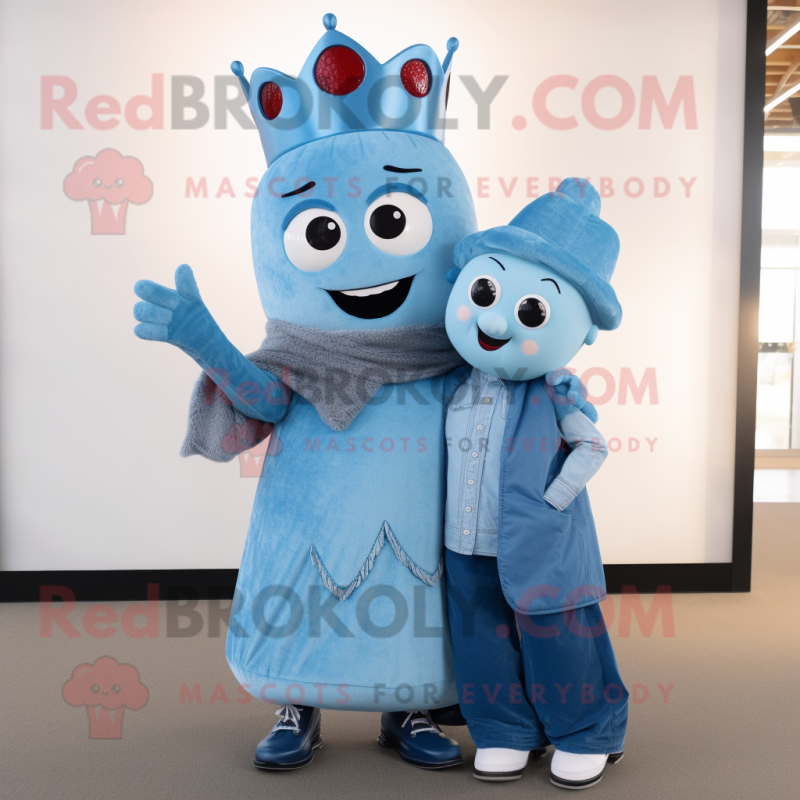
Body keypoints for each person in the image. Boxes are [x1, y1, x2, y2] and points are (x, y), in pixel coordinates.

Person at [442, 178, 629, 789]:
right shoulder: (453, 386)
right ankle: (503, 730)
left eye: (530, 310)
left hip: (539, 539)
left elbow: (592, 445)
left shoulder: (553, 392)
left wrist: (553, 501)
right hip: (464, 540)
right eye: (487, 291)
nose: (496, 317)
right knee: (480, 639)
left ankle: (586, 731)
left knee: (559, 635)